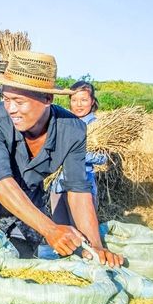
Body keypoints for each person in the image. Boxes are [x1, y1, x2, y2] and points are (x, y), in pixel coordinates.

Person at [0, 51, 122, 267]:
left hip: (29, 206)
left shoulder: (72, 130)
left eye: (19, 101)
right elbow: (1, 181)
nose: (11, 109)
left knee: (21, 265)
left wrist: (96, 246)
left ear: (47, 99)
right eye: (6, 99)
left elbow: (78, 189)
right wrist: (50, 228)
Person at [49, 81, 107, 225]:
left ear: (92, 101)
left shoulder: (98, 126)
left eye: (84, 100)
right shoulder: (64, 120)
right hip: (58, 184)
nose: (79, 104)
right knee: (61, 229)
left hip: (82, 184)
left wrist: (72, 154)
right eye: (74, 100)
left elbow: (102, 157)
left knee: (83, 232)